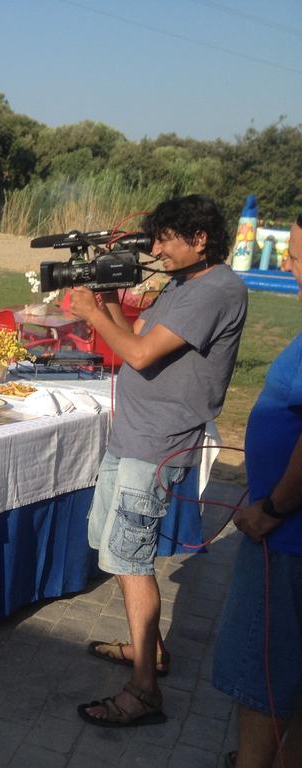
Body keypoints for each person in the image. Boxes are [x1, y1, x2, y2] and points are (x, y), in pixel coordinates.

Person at [72, 195, 248, 727]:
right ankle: (149, 649)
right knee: (117, 550)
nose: (156, 249)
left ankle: (144, 690)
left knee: (131, 559)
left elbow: (141, 354)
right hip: (132, 435)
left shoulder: (217, 289)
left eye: (167, 238)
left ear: (200, 239)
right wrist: (101, 299)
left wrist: (88, 314)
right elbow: (135, 336)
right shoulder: (181, 284)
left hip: (157, 443)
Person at [211, 214, 302, 768]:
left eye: (296, 254)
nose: (288, 264)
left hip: (286, 541)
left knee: (261, 675)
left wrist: (272, 507)